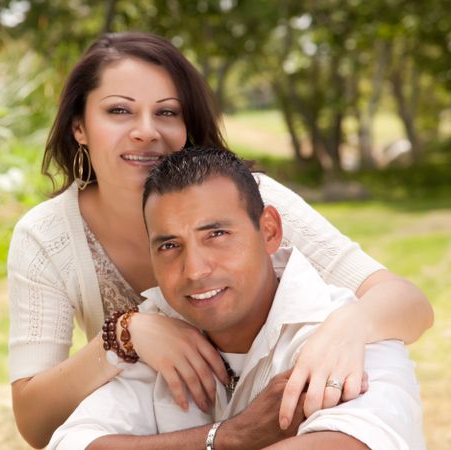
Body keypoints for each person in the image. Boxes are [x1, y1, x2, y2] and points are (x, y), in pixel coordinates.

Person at [6, 32, 432, 448]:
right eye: (119, 111)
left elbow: (406, 302)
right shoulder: (47, 237)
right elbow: (40, 428)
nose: (146, 131)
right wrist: (124, 338)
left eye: (167, 113)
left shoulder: (251, 197)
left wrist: (350, 325)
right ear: (79, 127)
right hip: (158, 417)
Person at [48, 146, 425, 450]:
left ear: (270, 232)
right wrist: (230, 437)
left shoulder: (348, 339)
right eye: (169, 245)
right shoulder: (160, 334)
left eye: (216, 235)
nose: (194, 270)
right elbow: (75, 442)